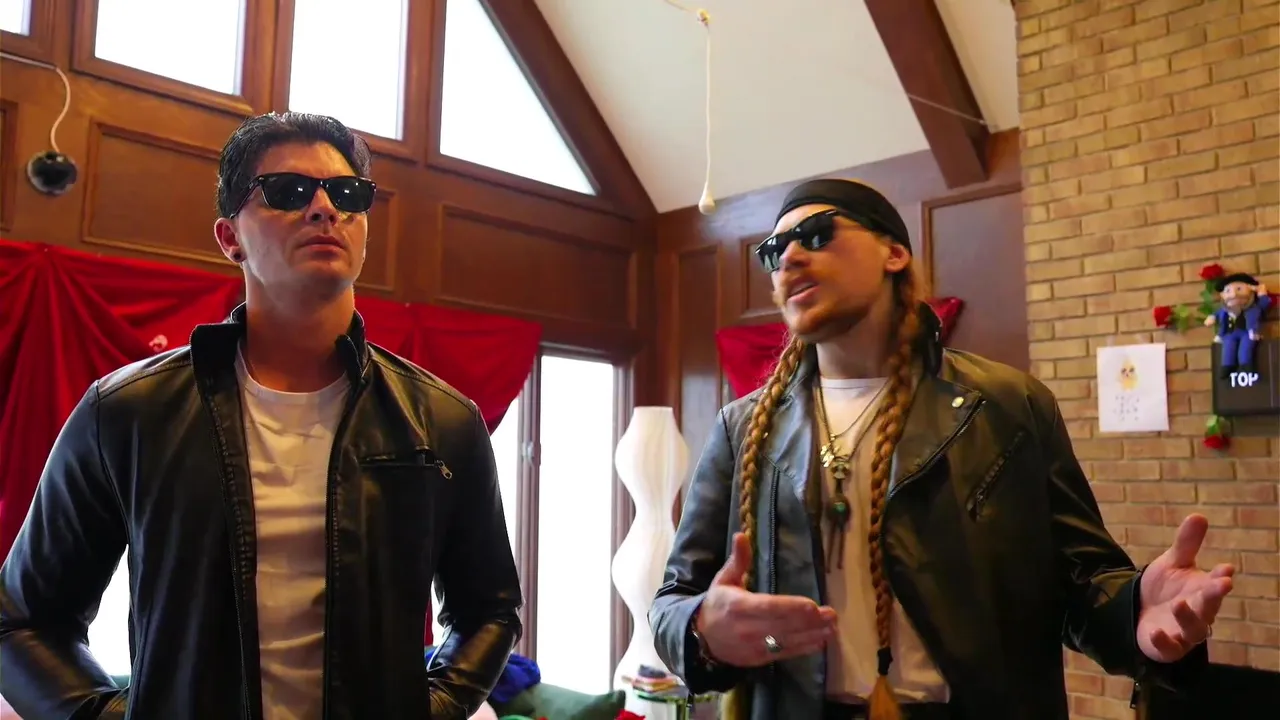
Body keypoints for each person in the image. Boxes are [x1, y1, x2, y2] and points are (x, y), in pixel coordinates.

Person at [0, 112, 522, 720]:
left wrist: (430, 708)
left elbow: (489, 609)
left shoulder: (441, 419)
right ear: (230, 237)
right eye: (289, 191)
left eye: (348, 194)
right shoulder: (128, 412)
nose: (325, 209)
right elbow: (23, 620)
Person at [650, 179, 1234, 720]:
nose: (790, 258)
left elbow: (1082, 582)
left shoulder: (1007, 405)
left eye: (817, 234)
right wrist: (702, 630)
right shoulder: (743, 428)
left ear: (893, 253)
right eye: (774, 251)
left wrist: (1134, 612)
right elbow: (674, 599)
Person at [1205, 272, 1271, 377]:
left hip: (1247, 332)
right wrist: (1211, 318)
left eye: (1239, 289)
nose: (1234, 294)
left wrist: (1261, 291)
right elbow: (1216, 314)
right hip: (1229, 333)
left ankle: (1246, 364)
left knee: (1246, 346)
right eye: (1228, 291)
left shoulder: (1254, 308)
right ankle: (1227, 366)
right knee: (1228, 347)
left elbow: (1265, 303)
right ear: (1222, 295)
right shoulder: (1224, 310)